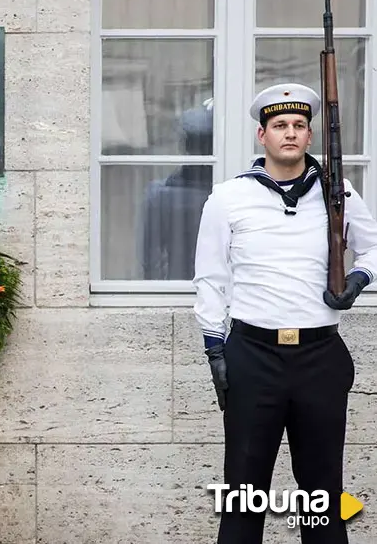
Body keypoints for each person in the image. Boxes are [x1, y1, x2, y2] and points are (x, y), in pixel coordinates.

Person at [193, 83, 377, 543]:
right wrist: (214, 347)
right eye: (280, 126)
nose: (289, 133)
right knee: (243, 494)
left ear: (311, 137)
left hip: (320, 357)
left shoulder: (340, 194)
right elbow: (211, 278)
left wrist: (356, 282)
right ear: (262, 135)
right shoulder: (228, 198)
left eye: (299, 126)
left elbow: (373, 251)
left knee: (322, 500)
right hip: (253, 356)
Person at [141, 99, 214, 280]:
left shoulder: (160, 194)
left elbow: (151, 263)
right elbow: (152, 261)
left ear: (184, 144)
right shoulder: (163, 194)